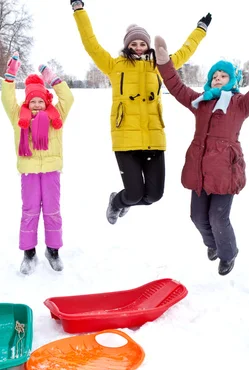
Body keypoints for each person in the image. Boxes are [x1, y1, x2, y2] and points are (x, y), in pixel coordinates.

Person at [154, 30, 249, 275]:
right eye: (215, 75)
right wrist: (164, 63)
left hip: (224, 171)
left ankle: (228, 254)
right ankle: (213, 245)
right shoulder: (200, 102)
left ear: (232, 80)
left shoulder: (240, 103)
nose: (218, 78)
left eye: (224, 75)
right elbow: (177, 87)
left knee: (218, 218)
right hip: (199, 170)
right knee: (198, 217)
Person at [70, 0, 211, 224]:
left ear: (148, 45)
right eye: (133, 43)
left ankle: (124, 202)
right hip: (125, 140)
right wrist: (79, 11)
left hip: (153, 138)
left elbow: (186, 50)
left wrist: (200, 30)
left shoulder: (161, 65)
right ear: (127, 46)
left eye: (142, 43)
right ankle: (117, 202)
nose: (138, 47)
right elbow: (91, 43)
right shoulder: (114, 65)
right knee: (134, 194)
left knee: (154, 195)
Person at [1, 52, 74, 275]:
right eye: (32, 101)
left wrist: (52, 78)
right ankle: (29, 253)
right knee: (30, 211)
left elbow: (68, 98)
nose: (36, 104)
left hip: (51, 171)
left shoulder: (56, 117)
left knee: (53, 211)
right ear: (27, 101)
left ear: (46, 100)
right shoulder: (18, 117)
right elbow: (6, 98)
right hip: (29, 173)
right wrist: (10, 74)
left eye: (40, 100)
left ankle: (53, 250)